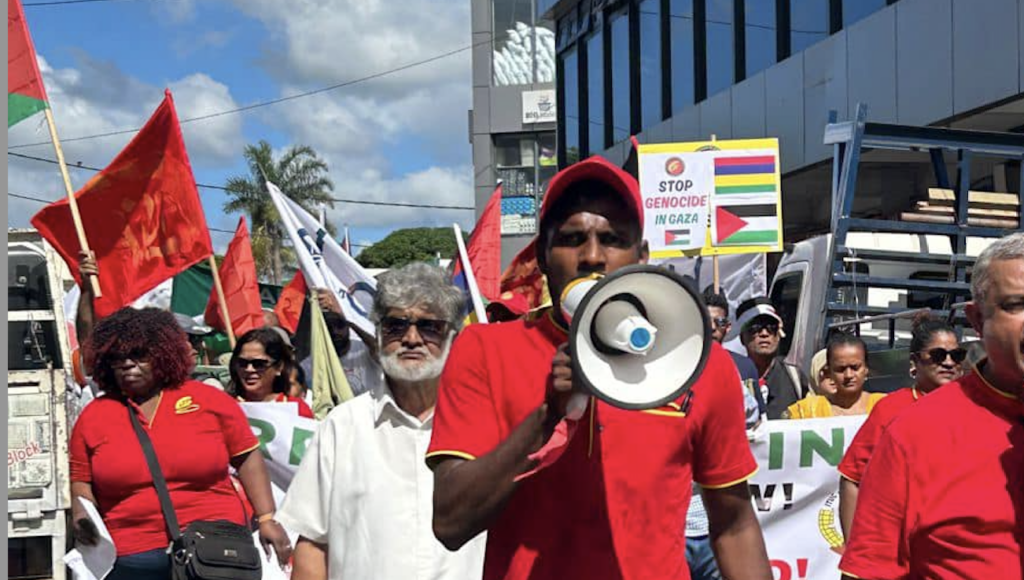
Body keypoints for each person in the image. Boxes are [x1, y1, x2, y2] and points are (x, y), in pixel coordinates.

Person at [427, 156, 772, 580]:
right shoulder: (483, 350)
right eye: (572, 239)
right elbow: (450, 522)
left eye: (612, 239)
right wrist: (546, 418)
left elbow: (734, 525)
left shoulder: (699, 362)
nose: (592, 256)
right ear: (542, 258)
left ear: (641, 257)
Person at [277, 263, 485, 580]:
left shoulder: (487, 426)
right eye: (395, 326)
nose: (411, 338)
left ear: (452, 338)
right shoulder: (342, 426)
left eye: (429, 327)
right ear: (378, 334)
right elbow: (313, 545)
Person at [840, 232, 1024, 580]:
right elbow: (869, 567)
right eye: (1015, 305)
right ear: (976, 319)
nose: (947, 363)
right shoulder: (913, 432)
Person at [69, 307, 291, 580]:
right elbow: (80, 480)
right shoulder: (94, 416)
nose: (127, 364)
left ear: (162, 353)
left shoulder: (209, 400)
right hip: (130, 558)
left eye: (138, 355)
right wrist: (81, 516)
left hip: (215, 551)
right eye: (117, 357)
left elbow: (247, 458)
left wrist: (266, 518)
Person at [836, 313, 963, 539]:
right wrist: (854, 546)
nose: (948, 362)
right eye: (938, 355)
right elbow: (852, 479)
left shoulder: (976, 407)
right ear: (914, 362)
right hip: (899, 542)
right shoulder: (891, 409)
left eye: (956, 355)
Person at [685, 290, 765, 579]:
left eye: (717, 323)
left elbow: (751, 414)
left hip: (711, 525)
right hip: (671, 533)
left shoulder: (723, 365)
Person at [729, 297, 810, 419]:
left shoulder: (795, 377)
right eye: (755, 328)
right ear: (742, 338)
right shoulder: (733, 377)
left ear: (778, 335)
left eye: (771, 327)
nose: (764, 333)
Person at [784, 334, 884, 419]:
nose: (848, 375)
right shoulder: (805, 412)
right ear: (829, 372)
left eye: (855, 368)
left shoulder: (884, 405)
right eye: (840, 369)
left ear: (866, 368)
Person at [228, 327, 314, 419]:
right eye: (242, 363)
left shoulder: (297, 409)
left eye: (259, 364)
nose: (249, 369)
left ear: (279, 367)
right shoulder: (225, 407)